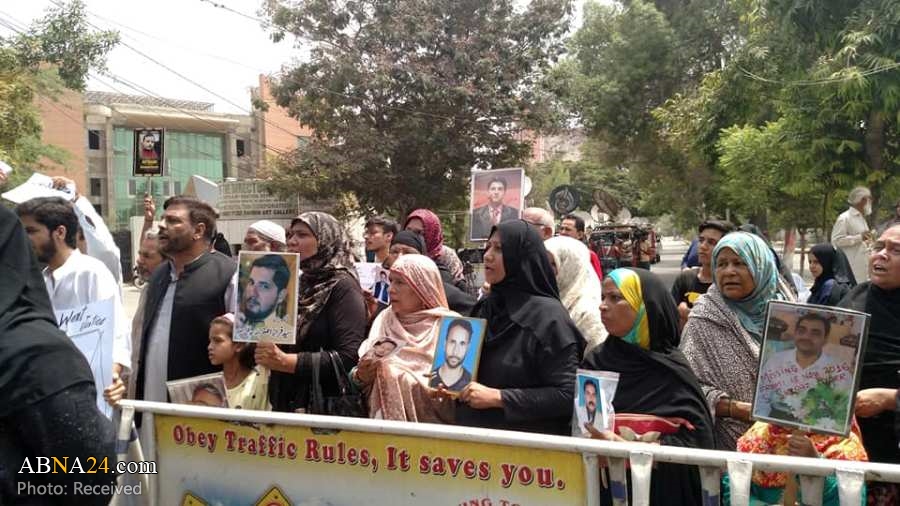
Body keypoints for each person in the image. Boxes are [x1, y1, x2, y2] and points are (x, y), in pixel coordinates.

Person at [0, 206, 117, 506]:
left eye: (32, 230)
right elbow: (89, 477)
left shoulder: (91, 272)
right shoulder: (36, 356)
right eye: (24, 233)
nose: (28, 240)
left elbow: (111, 330)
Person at [582, 268, 715, 506]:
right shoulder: (596, 362)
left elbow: (699, 443)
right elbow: (583, 427)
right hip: (607, 491)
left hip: (664, 491)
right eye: (603, 297)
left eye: (615, 298)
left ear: (645, 307)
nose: (602, 306)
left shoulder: (673, 371)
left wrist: (633, 449)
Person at [451, 220, 583, 435]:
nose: (488, 256)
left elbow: (568, 395)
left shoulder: (549, 319)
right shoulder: (485, 308)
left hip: (525, 446)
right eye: (488, 247)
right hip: (472, 441)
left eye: (499, 249)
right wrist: (450, 386)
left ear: (521, 257)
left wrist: (500, 398)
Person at [134, 196, 235, 456]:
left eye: (173, 221)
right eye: (162, 219)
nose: (162, 226)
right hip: (150, 402)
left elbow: (242, 347)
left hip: (202, 413)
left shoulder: (227, 274)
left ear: (198, 230)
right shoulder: (160, 274)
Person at [680, 232, 793, 450]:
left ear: (760, 266)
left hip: (790, 444)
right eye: (722, 264)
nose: (729, 271)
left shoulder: (790, 314)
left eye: (740, 263)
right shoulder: (703, 319)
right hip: (730, 448)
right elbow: (687, 389)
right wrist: (738, 409)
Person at [15, 197, 131, 408]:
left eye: (30, 231)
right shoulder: (40, 281)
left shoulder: (91, 272)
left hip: (91, 396)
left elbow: (114, 334)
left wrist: (112, 376)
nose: (23, 239)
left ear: (59, 232)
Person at [256, 212, 366, 413]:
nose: (292, 241)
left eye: (302, 235)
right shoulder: (299, 282)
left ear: (325, 240)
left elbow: (349, 356)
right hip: (287, 399)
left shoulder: (343, 287)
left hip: (324, 407)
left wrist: (287, 362)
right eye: (290, 235)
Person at [354, 254, 458, 421]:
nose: (391, 289)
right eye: (391, 281)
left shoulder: (452, 326)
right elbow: (358, 379)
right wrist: (361, 375)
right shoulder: (385, 319)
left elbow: (459, 388)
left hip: (436, 430)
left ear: (422, 287)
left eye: (400, 282)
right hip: (381, 431)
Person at [840, 224, 900, 485]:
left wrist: (890, 399)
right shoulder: (854, 299)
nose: (882, 254)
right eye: (878, 247)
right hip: (853, 445)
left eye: (896, 250)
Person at [723, 421, 868, 506]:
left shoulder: (845, 444)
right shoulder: (757, 435)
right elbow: (733, 486)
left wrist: (816, 464)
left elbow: (851, 498)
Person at [755, 313, 853, 423]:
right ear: (795, 333)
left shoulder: (838, 371)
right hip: (775, 422)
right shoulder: (776, 361)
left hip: (818, 426)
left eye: (815, 333)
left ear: (825, 339)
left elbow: (842, 411)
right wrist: (763, 424)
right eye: (801, 331)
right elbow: (761, 400)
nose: (806, 337)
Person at [376, 230, 475, 316]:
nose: (400, 257)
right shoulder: (384, 297)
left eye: (408, 252)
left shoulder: (440, 291)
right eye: (394, 252)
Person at [544, 235, 607, 355]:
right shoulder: (544, 299)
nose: (545, 269)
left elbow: (595, 357)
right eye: (542, 262)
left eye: (553, 264)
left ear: (572, 267)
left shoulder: (588, 315)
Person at [671, 220, 735, 330]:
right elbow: (670, 321)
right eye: (701, 240)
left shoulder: (731, 284)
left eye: (711, 242)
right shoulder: (685, 278)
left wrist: (691, 316)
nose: (703, 246)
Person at [207, 314, 269, 411]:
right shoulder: (210, 384)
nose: (210, 347)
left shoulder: (259, 382)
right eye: (210, 341)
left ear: (239, 345)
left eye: (218, 341)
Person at [235, 254, 293, 341]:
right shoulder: (236, 323)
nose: (253, 293)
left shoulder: (286, 336)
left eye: (264, 286)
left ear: (281, 296)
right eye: (251, 282)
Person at [404, 208, 467, 288]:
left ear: (431, 234)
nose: (412, 236)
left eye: (419, 233)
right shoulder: (401, 253)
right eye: (408, 230)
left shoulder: (446, 256)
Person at [832, 186, 873, 283]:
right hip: (851, 268)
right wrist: (859, 237)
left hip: (863, 267)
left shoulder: (861, 218)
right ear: (862, 200)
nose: (870, 201)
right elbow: (836, 241)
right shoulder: (845, 218)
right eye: (869, 199)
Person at [429, 318, 475, 391]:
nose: (455, 351)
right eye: (452, 342)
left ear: (468, 347)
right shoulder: (429, 377)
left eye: (462, 344)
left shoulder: (472, 384)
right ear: (445, 343)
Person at [559, 214, 603, 280]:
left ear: (580, 234)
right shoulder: (553, 253)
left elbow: (597, 282)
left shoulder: (589, 256)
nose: (563, 232)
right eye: (561, 228)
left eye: (567, 229)